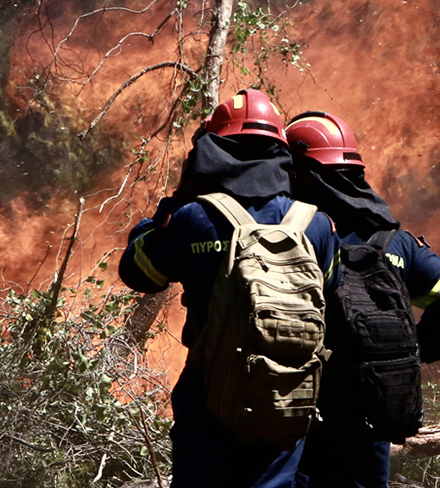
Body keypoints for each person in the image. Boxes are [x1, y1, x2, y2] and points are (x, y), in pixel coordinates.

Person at [118, 90, 340, 488]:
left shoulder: (193, 218)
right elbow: (329, 296)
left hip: (208, 397)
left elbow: (138, 272)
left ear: (215, 150)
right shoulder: (317, 226)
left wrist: (170, 207)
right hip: (286, 397)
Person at [286, 111, 440, 488]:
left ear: (306, 174)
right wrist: (405, 352)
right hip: (372, 410)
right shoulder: (398, 244)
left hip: (305, 412)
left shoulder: (299, 236)